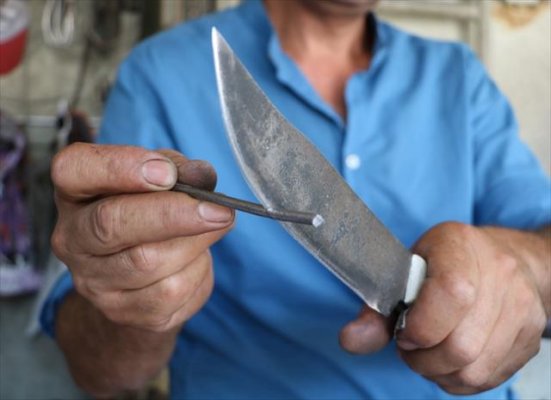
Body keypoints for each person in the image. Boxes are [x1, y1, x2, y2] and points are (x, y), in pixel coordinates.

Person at [41, 0, 551, 398]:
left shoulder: (458, 76)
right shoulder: (160, 75)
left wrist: (521, 263)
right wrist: (133, 301)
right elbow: (97, 370)